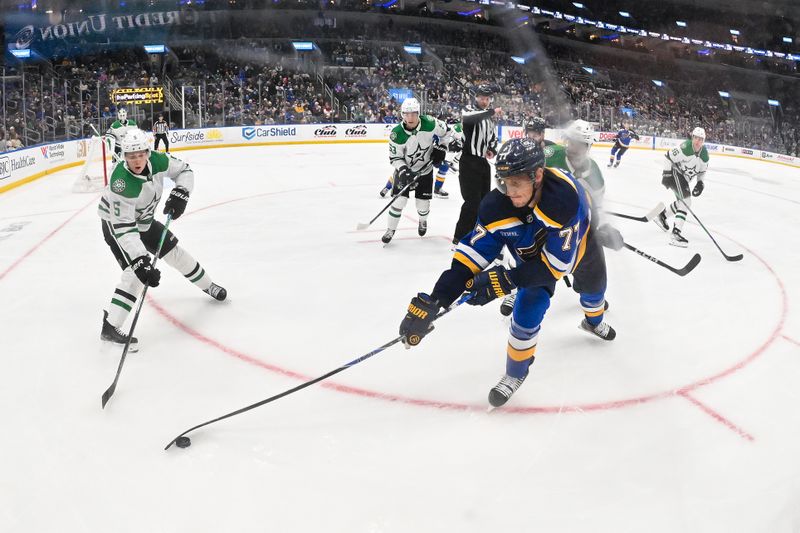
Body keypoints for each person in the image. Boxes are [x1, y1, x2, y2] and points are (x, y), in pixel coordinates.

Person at [398, 138, 616, 408]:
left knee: (595, 293)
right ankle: (516, 372)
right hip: (535, 257)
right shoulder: (495, 207)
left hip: (582, 246)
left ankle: (592, 322)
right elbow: (469, 259)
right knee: (526, 311)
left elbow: (555, 267)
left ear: (537, 175)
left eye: (516, 183)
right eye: (503, 181)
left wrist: (506, 280)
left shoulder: (562, 200)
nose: (508, 191)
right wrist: (437, 298)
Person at [98, 129, 226, 351]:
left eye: (140, 154)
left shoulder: (158, 159)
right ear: (124, 156)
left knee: (175, 252)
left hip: (144, 221)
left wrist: (181, 193)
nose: (136, 160)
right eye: (130, 155)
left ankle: (209, 286)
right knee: (135, 273)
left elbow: (184, 170)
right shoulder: (121, 183)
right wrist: (140, 260)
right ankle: (110, 327)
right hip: (116, 226)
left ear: (147, 152)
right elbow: (125, 228)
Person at [382, 97, 454, 244]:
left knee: (423, 204)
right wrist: (403, 170)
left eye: (414, 113)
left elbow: (447, 131)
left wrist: (442, 148)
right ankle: (390, 229)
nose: (410, 117)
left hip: (425, 170)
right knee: (399, 201)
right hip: (405, 170)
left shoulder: (430, 122)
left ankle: (422, 221)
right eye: (407, 114)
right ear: (402, 114)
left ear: (418, 113)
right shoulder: (397, 134)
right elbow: (395, 158)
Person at [451, 84, 502, 246]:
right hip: (468, 162)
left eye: (487, 99)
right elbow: (470, 119)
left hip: (482, 163)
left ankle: (477, 235)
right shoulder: (469, 110)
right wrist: (492, 111)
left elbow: (493, 138)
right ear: (476, 97)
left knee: (484, 202)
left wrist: (492, 150)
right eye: (482, 98)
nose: (484, 101)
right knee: (472, 202)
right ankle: (459, 237)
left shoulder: (489, 119)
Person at [653, 127, 709, 247]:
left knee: (682, 202)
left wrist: (700, 183)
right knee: (686, 201)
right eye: (696, 138)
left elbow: (702, 172)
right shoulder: (685, 148)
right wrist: (666, 174)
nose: (697, 141)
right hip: (675, 173)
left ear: (703, 141)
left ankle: (662, 216)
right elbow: (668, 157)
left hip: (684, 178)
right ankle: (675, 234)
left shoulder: (704, 155)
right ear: (692, 137)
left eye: (701, 139)